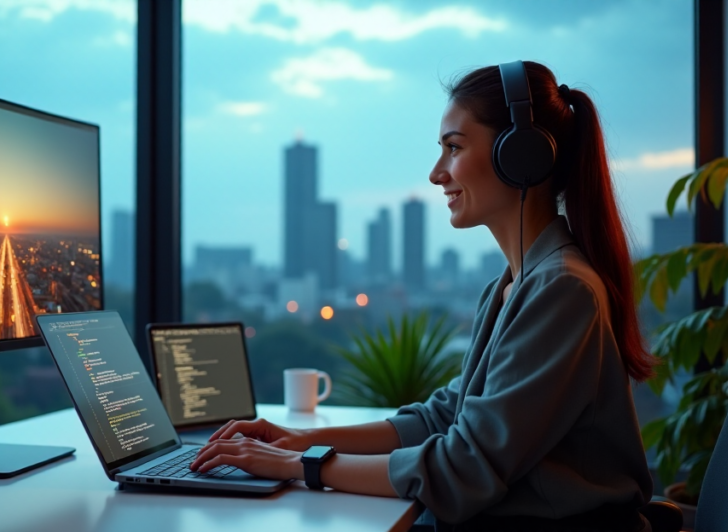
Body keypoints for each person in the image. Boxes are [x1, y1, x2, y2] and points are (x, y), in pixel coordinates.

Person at [189, 61, 655, 531]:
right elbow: (442, 419)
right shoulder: (511, 287)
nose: (436, 174)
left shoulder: (562, 289)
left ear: (520, 156)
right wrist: (299, 439)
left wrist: (300, 466)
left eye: (454, 148)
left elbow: (464, 468)